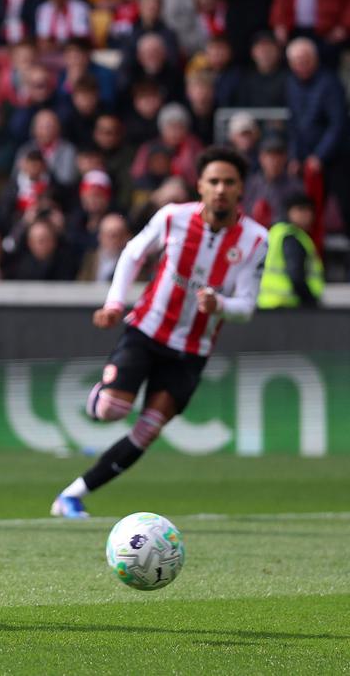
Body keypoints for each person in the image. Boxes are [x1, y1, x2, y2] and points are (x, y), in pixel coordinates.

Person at [51, 147, 269, 518]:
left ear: (240, 190)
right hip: (148, 329)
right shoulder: (173, 218)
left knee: (147, 431)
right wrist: (115, 303)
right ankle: (99, 398)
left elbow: (247, 307)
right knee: (111, 410)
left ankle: (71, 496)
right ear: (199, 185)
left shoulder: (255, 240)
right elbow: (134, 253)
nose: (220, 189)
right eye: (213, 181)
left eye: (228, 183)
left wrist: (220, 306)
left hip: (191, 350)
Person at [258, 194, 324, 309]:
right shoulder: (292, 237)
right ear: (289, 211)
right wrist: (310, 300)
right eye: (300, 210)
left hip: (267, 303)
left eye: (309, 210)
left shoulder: (276, 232)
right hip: (288, 305)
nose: (306, 215)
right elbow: (296, 275)